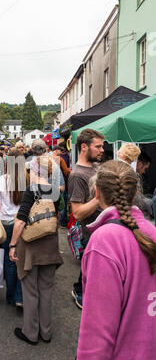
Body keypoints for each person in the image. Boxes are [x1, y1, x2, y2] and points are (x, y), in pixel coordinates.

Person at [75, 160, 156, 360]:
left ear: (97, 192)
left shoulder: (104, 243)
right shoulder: (152, 232)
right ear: (135, 192)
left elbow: (97, 334)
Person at [9, 148, 63, 345]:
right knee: (46, 290)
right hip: (50, 245)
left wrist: (12, 245)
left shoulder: (31, 191)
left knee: (30, 291)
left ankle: (31, 333)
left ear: (36, 171)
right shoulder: (55, 191)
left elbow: (21, 221)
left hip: (31, 247)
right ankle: (46, 332)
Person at [68, 128, 105, 309]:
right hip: (89, 233)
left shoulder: (97, 167)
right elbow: (77, 213)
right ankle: (79, 292)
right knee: (89, 270)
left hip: (104, 229)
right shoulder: (77, 175)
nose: (102, 150)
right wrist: (99, 197)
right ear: (84, 147)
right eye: (98, 146)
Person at [0, 148, 30, 307]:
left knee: (9, 261)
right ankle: (20, 296)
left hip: (5, 223)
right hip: (22, 223)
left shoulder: (1, 180)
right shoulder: (27, 180)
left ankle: (11, 296)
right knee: (21, 259)